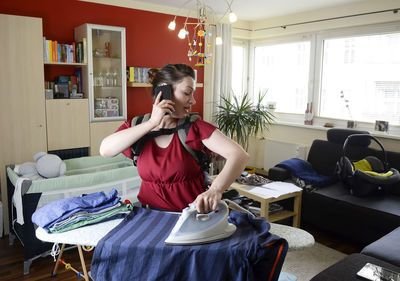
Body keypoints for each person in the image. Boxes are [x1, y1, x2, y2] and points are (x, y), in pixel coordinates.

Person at [100, 64, 249, 213]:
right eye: (187, 93)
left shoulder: (195, 128)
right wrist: (152, 123)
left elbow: (239, 155)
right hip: (149, 215)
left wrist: (216, 189)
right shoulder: (137, 126)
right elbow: (105, 150)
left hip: (191, 218)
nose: (193, 100)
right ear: (165, 91)